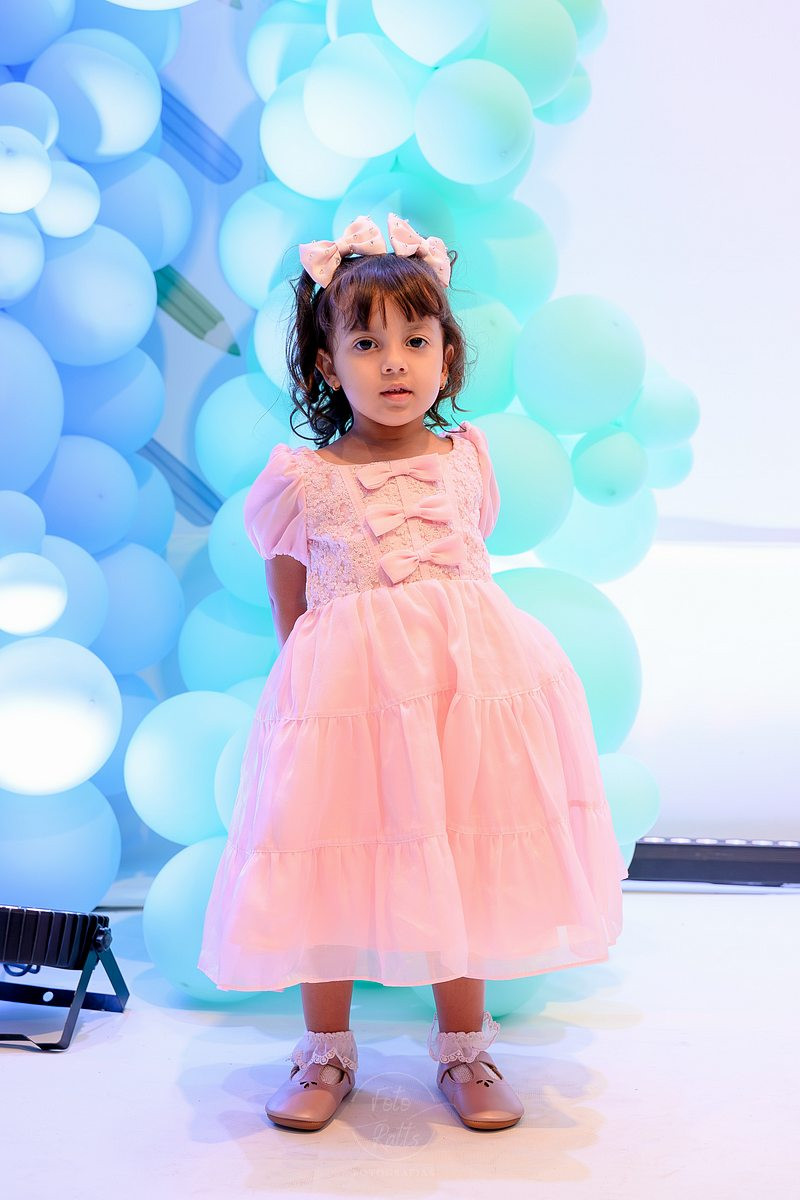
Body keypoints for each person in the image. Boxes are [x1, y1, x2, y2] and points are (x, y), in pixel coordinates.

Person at [197, 212, 629, 1133]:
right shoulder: (304, 479)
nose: (394, 363)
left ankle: (465, 1048)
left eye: (415, 340)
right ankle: (324, 1050)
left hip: (462, 699)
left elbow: (463, 577)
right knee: (326, 858)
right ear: (327, 365)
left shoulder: (466, 459)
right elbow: (292, 601)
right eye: (366, 343)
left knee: (456, 851)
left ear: (446, 356)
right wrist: (317, 698)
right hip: (346, 706)